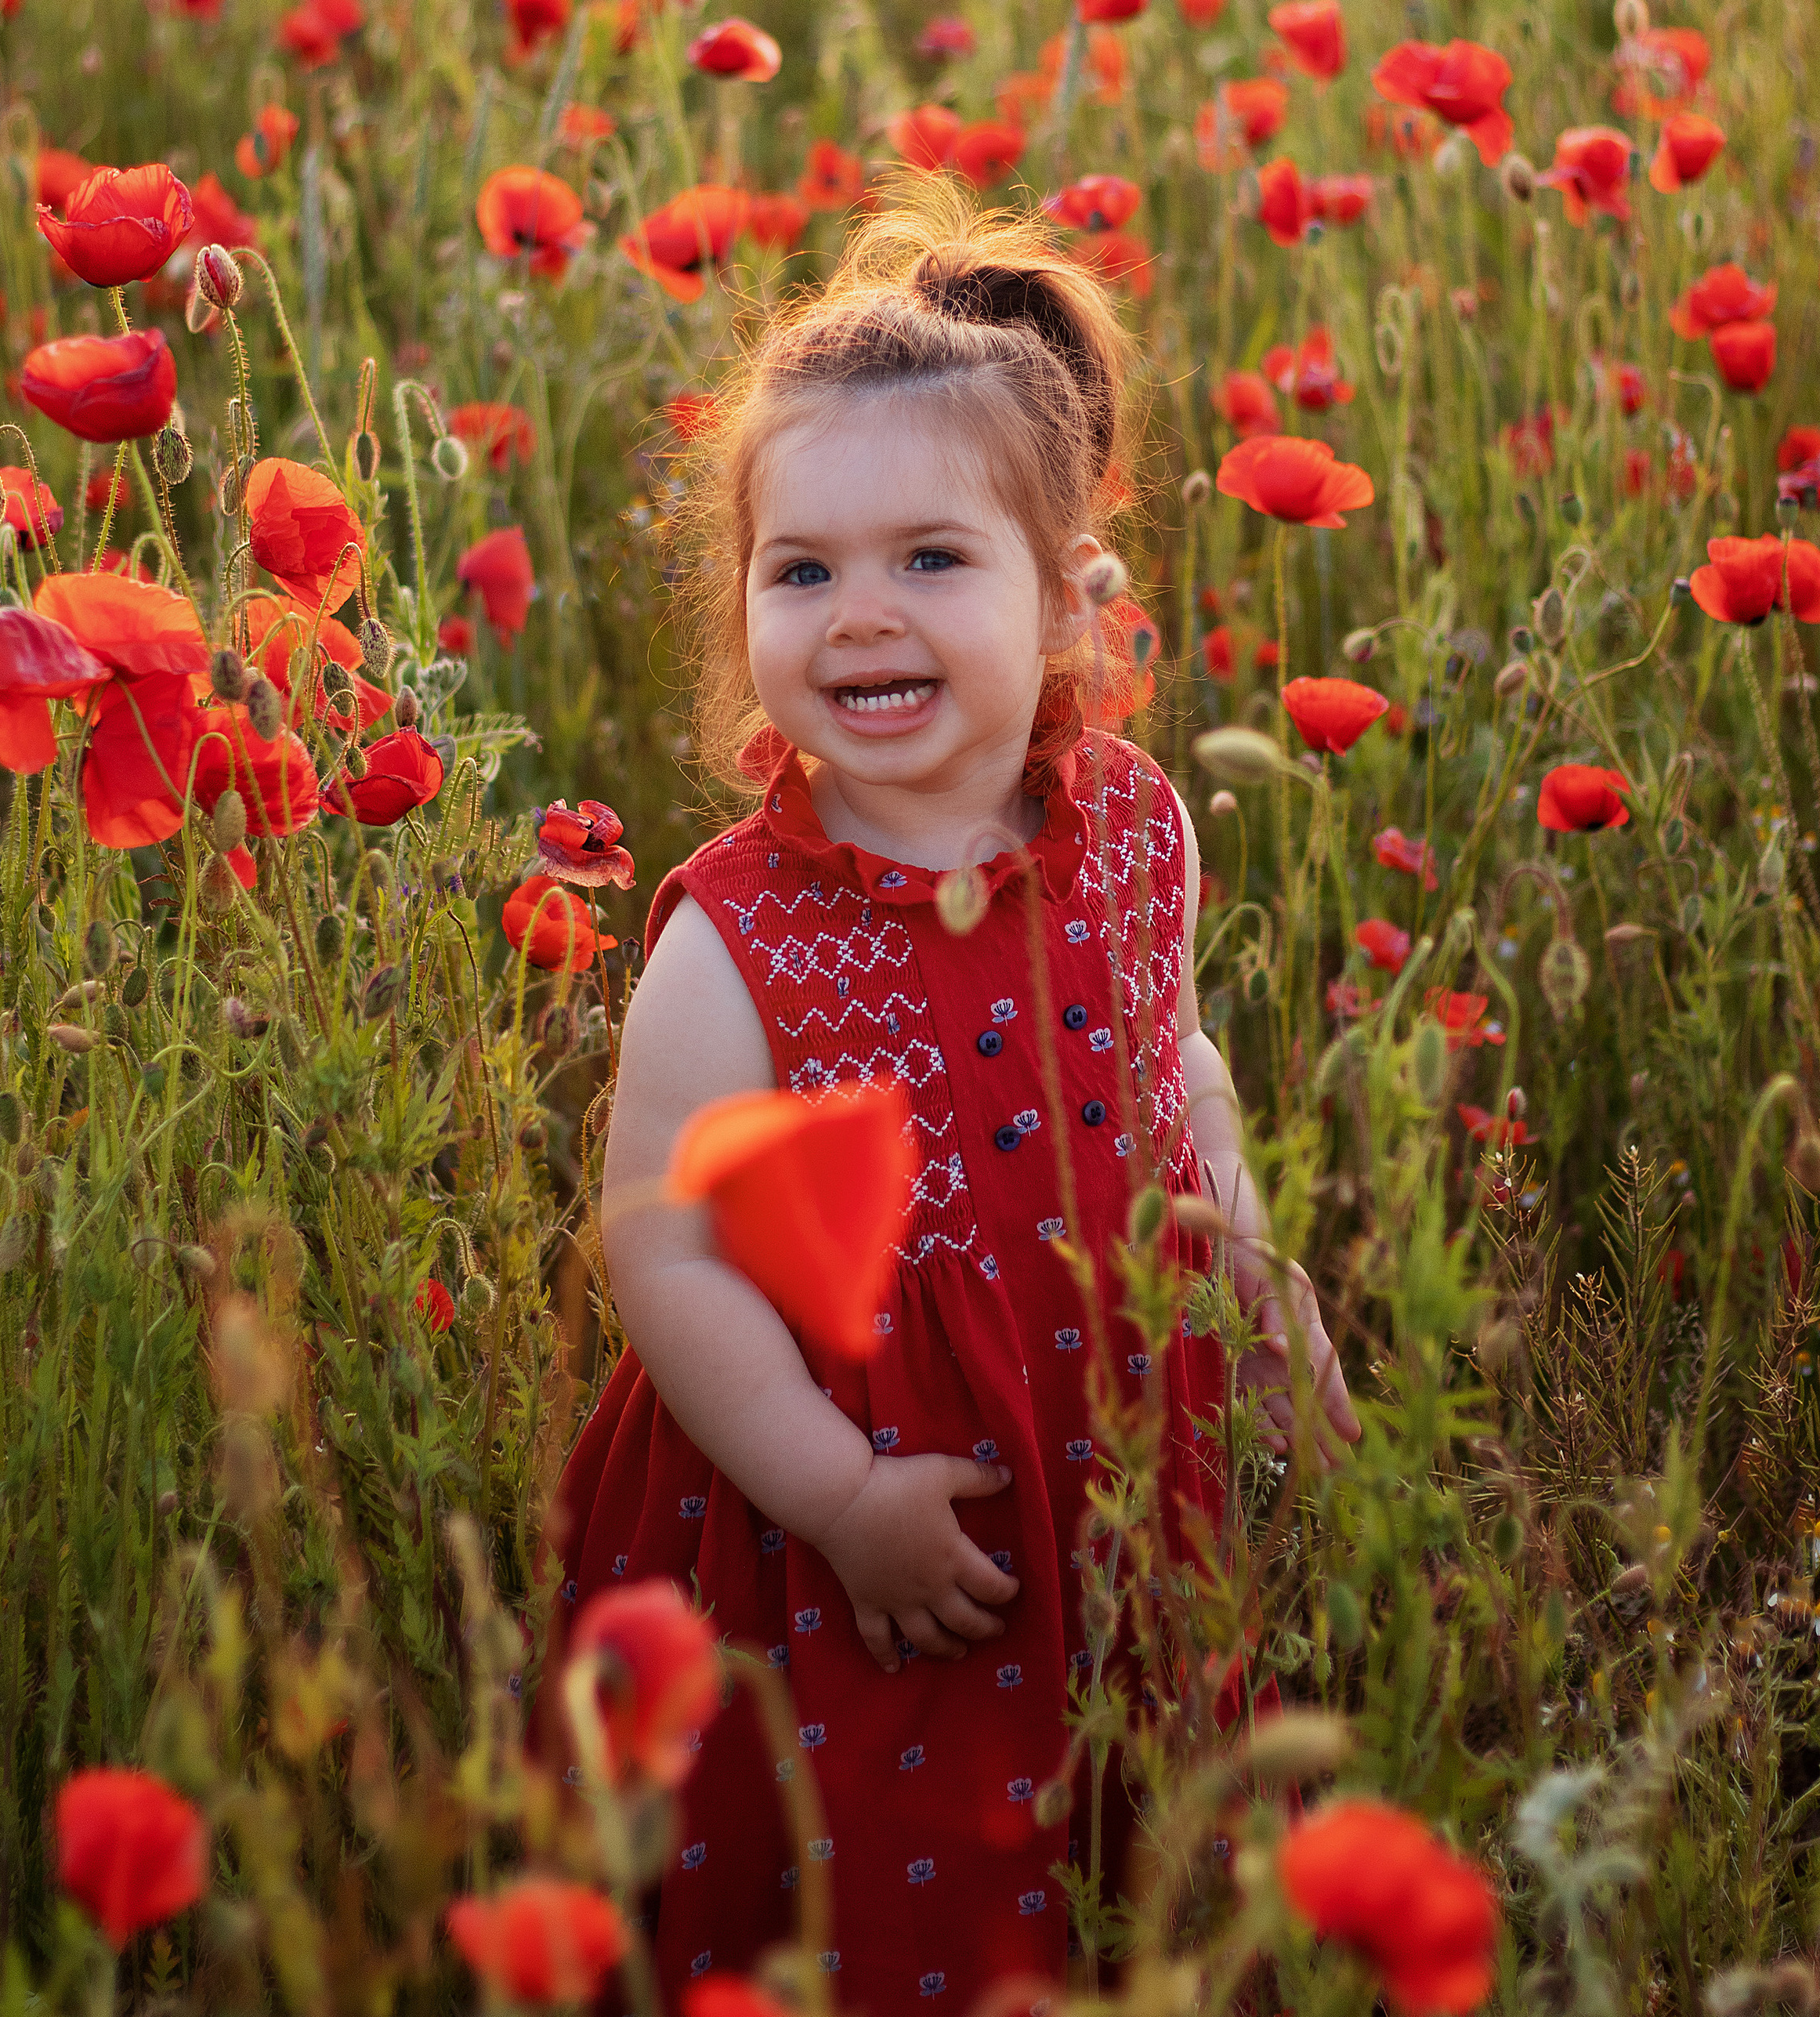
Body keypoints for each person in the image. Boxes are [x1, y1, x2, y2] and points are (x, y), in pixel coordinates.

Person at [546, 187, 1358, 2012]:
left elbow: (1171, 1058)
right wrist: (835, 1495)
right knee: (872, 1877)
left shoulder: (1133, 827)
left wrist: (1238, 1248)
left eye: (929, 559)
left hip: (1110, 1441)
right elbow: (663, 1253)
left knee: (1128, 1806)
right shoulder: (734, 938)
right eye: (801, 569)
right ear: (741, 599)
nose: (859, 616)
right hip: (848, 1524)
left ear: (1069, 600)